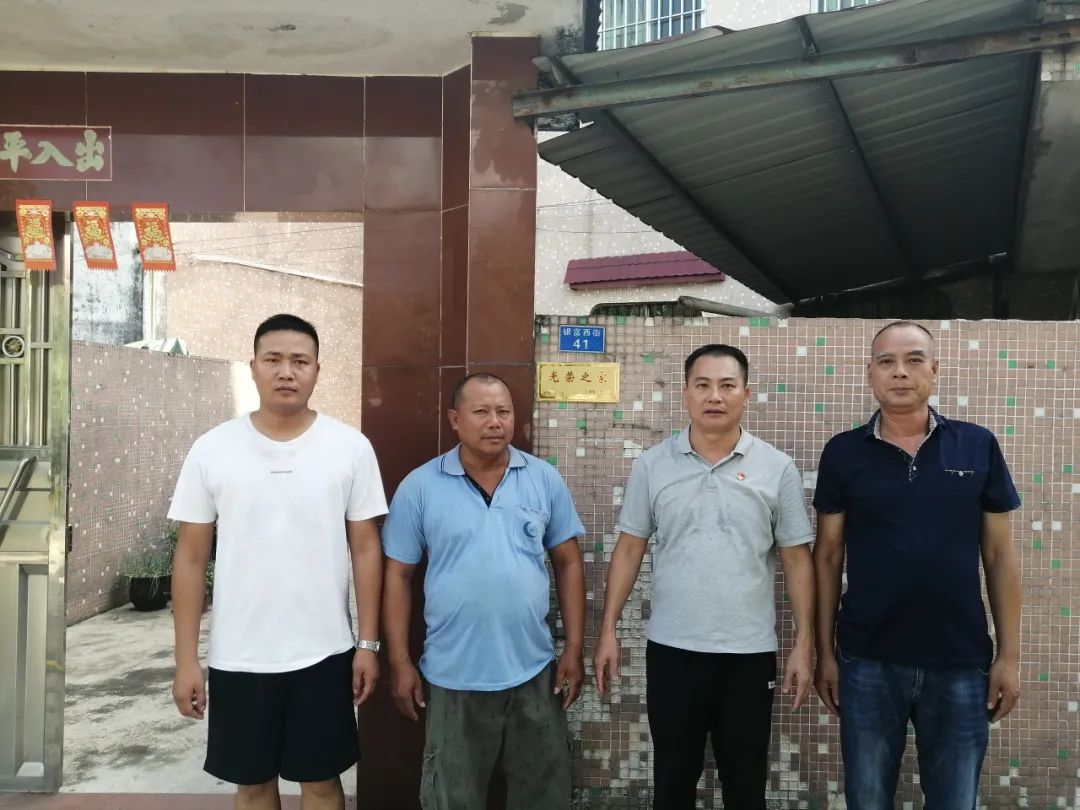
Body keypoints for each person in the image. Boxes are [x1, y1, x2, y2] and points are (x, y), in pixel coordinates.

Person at [169, 313, 387, 810]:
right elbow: (191, 557)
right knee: (252, 787)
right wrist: (186, 660)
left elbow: (366, 548)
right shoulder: (213, 449)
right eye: (273, 359)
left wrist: (368, 644)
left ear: (317, 370)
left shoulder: (350, 448)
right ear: (253, 367)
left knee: (322, 784)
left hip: (325, 652)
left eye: (299, 361)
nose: (286, 371)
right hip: (239, 655)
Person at [593, 344, 815, 810]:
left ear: (746, 395)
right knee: (673, 781)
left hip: (748, 654)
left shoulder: (776, 467)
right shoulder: (653, 464)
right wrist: (608, 630)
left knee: (745, 783)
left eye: (727, 385)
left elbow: (797, 559)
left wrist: (804, 643)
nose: (715, 396)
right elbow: (630, 547)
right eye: (703, 385)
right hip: (673, 650)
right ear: (686, 393)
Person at [813, 321, 1022, 810]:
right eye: (886, 362)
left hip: (960, 660)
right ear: (870, 373)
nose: (900, 372)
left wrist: (1009, 657)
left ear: (935, 369)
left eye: (913, 360)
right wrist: (826, 652)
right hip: (867, 659)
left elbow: (999, 555)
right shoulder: (843, 452)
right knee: (867, 799)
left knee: (955, 801)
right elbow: (828, 554)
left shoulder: (977, 445)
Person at [381, 372, 586, 810]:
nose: (495, 422)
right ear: (455, 419)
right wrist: (398, 660)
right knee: (453, 797)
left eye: (503, 411)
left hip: (533, 671)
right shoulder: (420, 486)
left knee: (544, 796)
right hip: (452, 675)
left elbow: (569, 563)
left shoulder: (543, 479)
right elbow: (397, 576)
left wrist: (574, 648)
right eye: (481, 412)